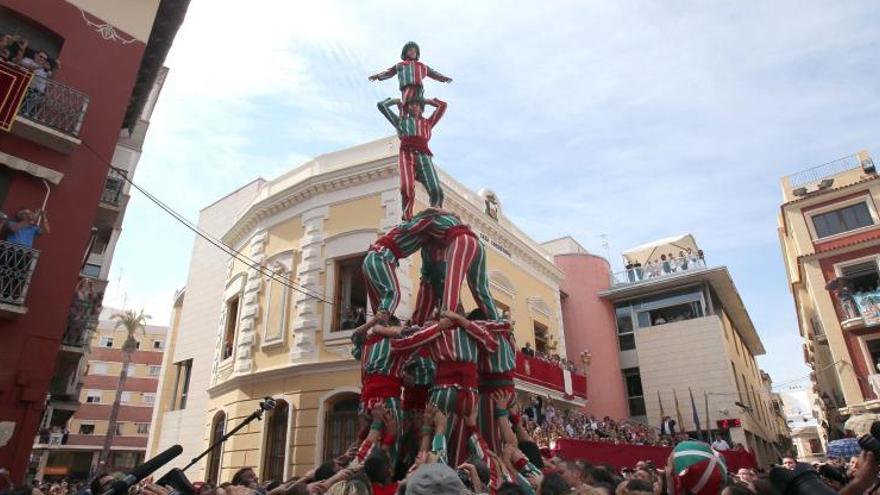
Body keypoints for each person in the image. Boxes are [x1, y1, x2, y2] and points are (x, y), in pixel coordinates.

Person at [377, 97, 447, 221]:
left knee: (435, 188)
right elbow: (381, 105)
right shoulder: (400, 122)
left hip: (424, 155)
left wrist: (427, 101)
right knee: (406, 187)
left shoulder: (428, 123)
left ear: (421, 108)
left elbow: (443, 106)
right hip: (406, 154)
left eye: (416, 104)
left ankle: (437, 211)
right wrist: (394, 101)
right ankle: (407, 215)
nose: (413, 107)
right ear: (407, 108)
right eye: (411, 105)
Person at [368, 41, 452, 107]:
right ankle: (403, 113)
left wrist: (443, 78)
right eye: (410, 50)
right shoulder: (400, 65)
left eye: (415, 51)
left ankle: (417, 120)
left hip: (419, 88)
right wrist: (378, 76)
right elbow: (389, 72)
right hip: (406, 88)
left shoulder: (422, 66)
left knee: (418, 106)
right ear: (405, 52)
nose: (413, 52)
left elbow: (434, 73)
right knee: (407, 104)